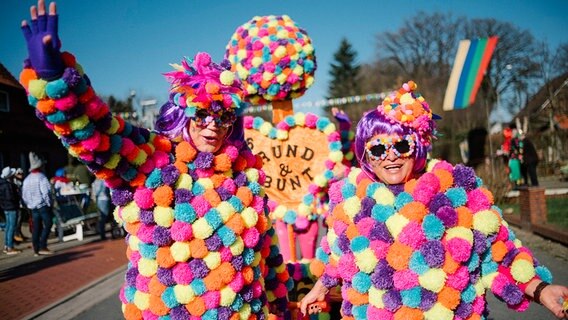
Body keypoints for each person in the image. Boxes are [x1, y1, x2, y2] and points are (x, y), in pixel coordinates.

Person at [19, 1, 292, 318]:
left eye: (224, 116)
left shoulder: (245, 175)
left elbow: (266, 253)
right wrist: (53, 79)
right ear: (184, 112)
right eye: (201, 113)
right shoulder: (154, 158)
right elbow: (97, 135)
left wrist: (282, 305)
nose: (212, 125)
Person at [300, 81, 568, 319]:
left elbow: (499, 254)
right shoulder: (349, 200)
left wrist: (540, 289)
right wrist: (319, 289)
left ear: (417, 145)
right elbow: (338, 257)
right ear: (366, 155)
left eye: (402, 146)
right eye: (379, 148)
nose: (390, 156)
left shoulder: (457, 190)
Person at [22, 152, 54, 256]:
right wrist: (49, 203)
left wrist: (29, 204)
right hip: (42, 206)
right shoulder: (41, 177)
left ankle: (36, 249)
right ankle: (42, 245)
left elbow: (24, 195)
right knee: (48, 224)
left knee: (36, 227)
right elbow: (46, 192)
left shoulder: (27, 179)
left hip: (33, 207)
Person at [0, 167, 22, 255]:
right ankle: (10, 247)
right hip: (11, 207)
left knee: (8, 227)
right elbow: (11, 197)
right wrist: (17, 199)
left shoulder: (2, 184)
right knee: (12, 227)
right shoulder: (8, 185)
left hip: (5, 207)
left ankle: (6, 245)